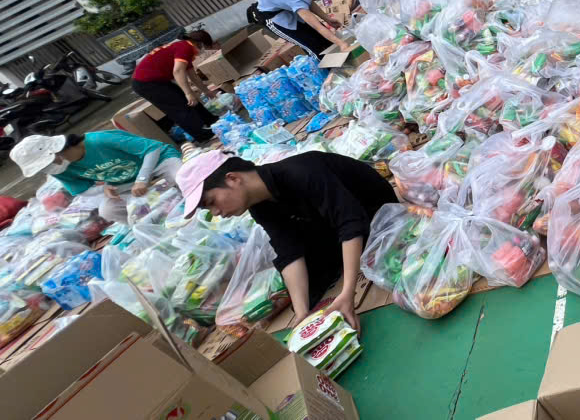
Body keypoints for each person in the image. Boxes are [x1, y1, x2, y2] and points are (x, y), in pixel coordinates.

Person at [177, 150, 397, 330]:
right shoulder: (258, 206)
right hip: (332, 227)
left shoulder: (302, 171)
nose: (215, 212)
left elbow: (349, 223)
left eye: (211, 202)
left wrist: (348, 292)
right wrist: (302, 314)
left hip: (377, 216)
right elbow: (289, 250)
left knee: (338, 263)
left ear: (233, 178)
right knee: (308, 287)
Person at [12, 131, 182, 223]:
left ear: (55, 152)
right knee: (108, 210)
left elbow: (152, 149)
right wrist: (104, 188)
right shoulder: (59, 169)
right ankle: (160, 222)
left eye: (46, 164)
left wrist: (142, 179)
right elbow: (82, 190)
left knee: (182, 177)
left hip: (159, 162)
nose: (47, 170)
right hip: (127, 183)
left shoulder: (98, 140)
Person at [131, 30, 221, 143]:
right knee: (180, 107)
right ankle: (203, 135)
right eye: (206, 47)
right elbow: (178, 71)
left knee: (188, 100)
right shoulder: (185, 48)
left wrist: (206, 91)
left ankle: (211, 120)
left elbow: (192, 75)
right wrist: (188, 93)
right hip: (146, 83)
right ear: (201, 43)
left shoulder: (185, 47)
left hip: (157, 80)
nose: (204, 51)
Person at [257, 0, 351, 57]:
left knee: (324, 38)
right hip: (271, 15)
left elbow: (308, 0)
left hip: (284, 4)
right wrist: (341, 44)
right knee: (312, 45)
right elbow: (317, 27)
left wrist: (327, 19)